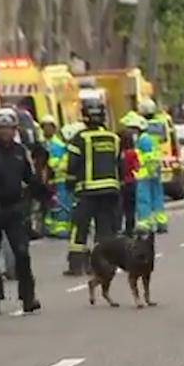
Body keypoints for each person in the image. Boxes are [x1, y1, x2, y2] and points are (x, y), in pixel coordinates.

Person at [0, 108, 45, 315]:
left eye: (8, 128)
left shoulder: (20, 152)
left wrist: (45, 194)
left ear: (15, 129)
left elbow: (30, 178)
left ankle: (28, 297)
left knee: (22, 253)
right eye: (1, 128)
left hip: (14, 208)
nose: (5, 132)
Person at [64, 101, 124, 276]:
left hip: (87, 191)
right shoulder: (114, 138)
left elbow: (72, 164)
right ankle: (102, 265)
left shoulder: (81, 138)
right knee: (105, 229)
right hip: (110, 191)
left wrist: (69, 183)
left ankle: (76, 265)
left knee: (79, 227)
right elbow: (119, 164)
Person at [121, 111, 161, 234]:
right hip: (151, 173)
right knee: (156, 198)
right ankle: (160, 221)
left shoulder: (143, 140)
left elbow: (146, 159)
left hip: (144, 174)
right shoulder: (147, 138)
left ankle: (145, 222)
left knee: (144, 199)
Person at [137, 100, 169, 233]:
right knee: (157, 195)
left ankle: (145, 223)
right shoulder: (159, 125)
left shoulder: (141, 129)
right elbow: (163, 140)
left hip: (144, 168)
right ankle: (161, 221)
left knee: (144, 196)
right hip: (156, 165)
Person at [41, 115, 71, 238]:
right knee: (51, 204)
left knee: (60, 203)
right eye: (44, 127)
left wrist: (49, 166)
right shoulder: (43, 143)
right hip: (50, 179)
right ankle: (50, 226)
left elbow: (58, 162)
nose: (46, 130)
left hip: (59, 179)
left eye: (48, 127)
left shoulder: (58, 145)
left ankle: (61, 227)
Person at [119, 128, 140, 235]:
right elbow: (137, 167)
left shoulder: (119, 153)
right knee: (131, 207)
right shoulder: (132, 153)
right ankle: (130, 228)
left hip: (121, 182)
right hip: (131, 181)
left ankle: (120, 227)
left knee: (122, 207)